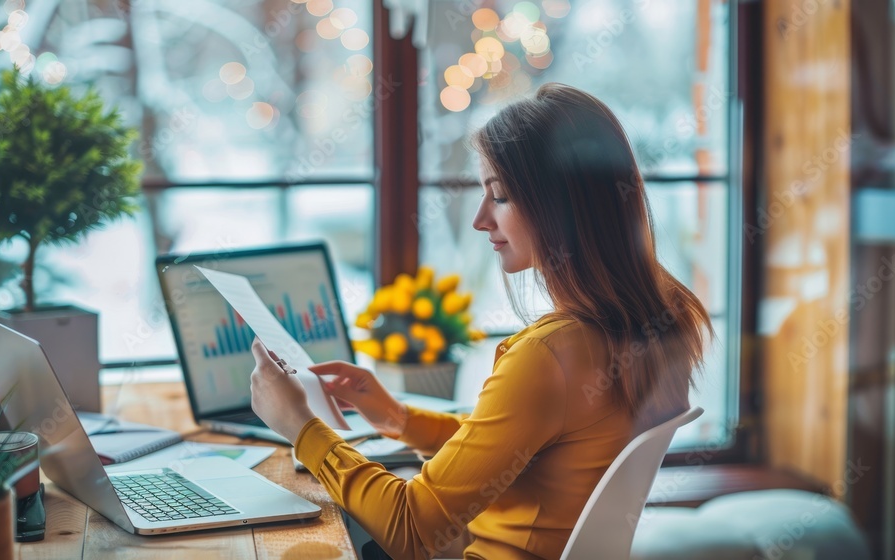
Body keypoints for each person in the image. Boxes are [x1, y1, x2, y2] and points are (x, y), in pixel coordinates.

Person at [249, 83, 714, 560]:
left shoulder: (550, 356)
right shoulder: (666, 315)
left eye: (501, 196)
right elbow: (523, 449)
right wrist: (398, 418)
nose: (479, 219)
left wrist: (301, 426)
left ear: (563, 206)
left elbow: (410, 528)